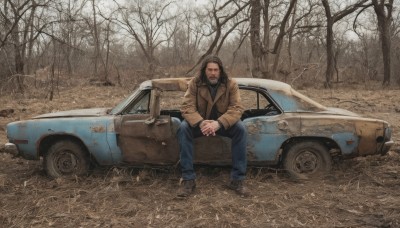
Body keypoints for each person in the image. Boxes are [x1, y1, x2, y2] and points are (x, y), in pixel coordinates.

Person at [177, 55, 249, 197]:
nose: (213, 73)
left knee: (241, 129)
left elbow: (237, 108)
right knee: (183, 128)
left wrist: (219, 123)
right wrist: (200, 122)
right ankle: (188, 180)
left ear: (220, 71)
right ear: (204, 70)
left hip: (222, 123)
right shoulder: (195, 83)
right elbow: (187, 107)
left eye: (216, 70)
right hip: (201, 123)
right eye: (209, 70)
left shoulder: (231, 84)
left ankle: (237, 180)